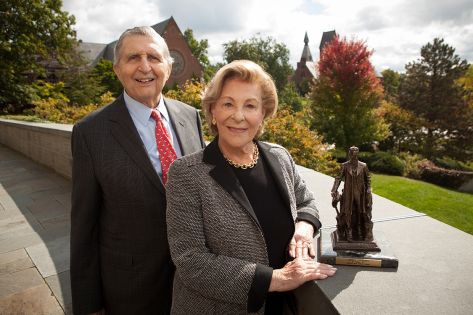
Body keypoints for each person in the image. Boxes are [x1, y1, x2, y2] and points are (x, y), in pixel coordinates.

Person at [166, 60, 336, 314]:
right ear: (212, 110)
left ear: (264, 113)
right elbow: (191, 261)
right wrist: (278, 279)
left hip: (284, 307)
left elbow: (305, 201)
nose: (238, 116)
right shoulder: (186, 174)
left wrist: (303, 227)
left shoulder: (279, 157)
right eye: (227, 104)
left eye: (250, 105)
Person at [70, 26, 205, 315]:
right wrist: (89, 305)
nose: (145, 67)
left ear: (168, 67)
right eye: (133, 58)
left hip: (195, 281)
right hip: (130, 289)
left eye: (154, 57)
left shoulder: (190, 116)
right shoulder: (90, 133)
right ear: (118, 69)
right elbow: (84, 227)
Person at [331, 146, 373, 242]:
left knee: (360, 211)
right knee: (348, 212)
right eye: (351, 152)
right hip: (348, 193)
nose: (353, 154)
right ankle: (349, 232)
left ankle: (359, 230)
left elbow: (368, 178)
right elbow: (338, 178)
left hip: (360, 193)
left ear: (357, 153)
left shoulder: (363, 165)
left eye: (355, 152)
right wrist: (334, 189)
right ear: (349, 153)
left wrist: (369, 188)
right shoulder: (344, 166)